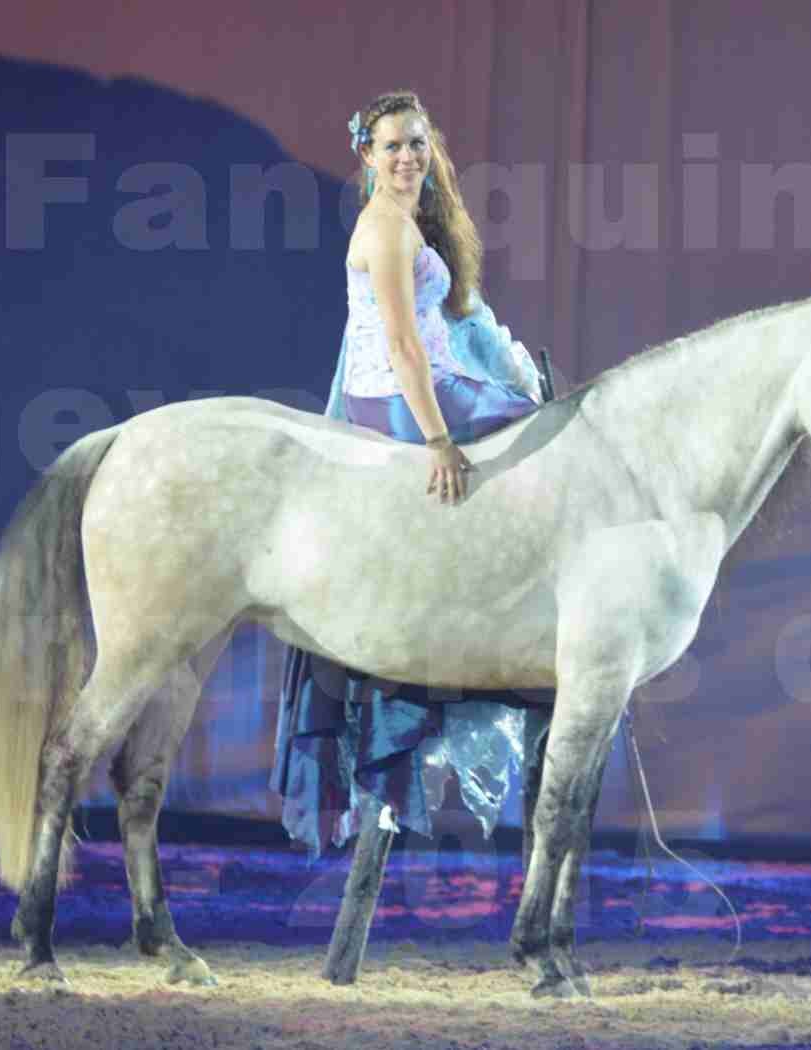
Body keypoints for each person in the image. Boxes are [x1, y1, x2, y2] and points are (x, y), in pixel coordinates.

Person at [270, 90, 551, 858]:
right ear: (366, 156)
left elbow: (451, 324)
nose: (406, 158)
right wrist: (437, 441)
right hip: (401, 396)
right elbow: (401, 345)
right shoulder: (384, 227)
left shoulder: (413, 222)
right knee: (541, 441)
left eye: (417, 144)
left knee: (534, 417)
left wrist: (507, 374)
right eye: (392, 146)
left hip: (422, 381)